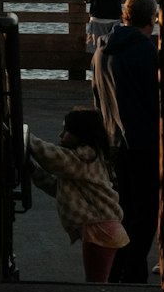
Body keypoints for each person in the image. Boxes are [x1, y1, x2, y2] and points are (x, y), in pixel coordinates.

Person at [91, 0, 160, 282]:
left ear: (124, 15)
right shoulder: (145, 52)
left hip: (112, 141)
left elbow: (96, 94)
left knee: (122, 209)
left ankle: (118, 269)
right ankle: (133, 272)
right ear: (152, 19)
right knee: (144, 212)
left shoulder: (101, 49)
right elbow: (153, 100)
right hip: (142, 143)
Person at [27, 109, 129, 283]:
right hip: (103, 227)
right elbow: (56, 186)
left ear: (81, 134)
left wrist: (26, 138)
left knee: (97, 283)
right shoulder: (84, 162)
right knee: (97, 281)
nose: (61, 135)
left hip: (101, 229)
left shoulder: (84, 158)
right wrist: (33, 170)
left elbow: (53, 157)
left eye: (67, 131)